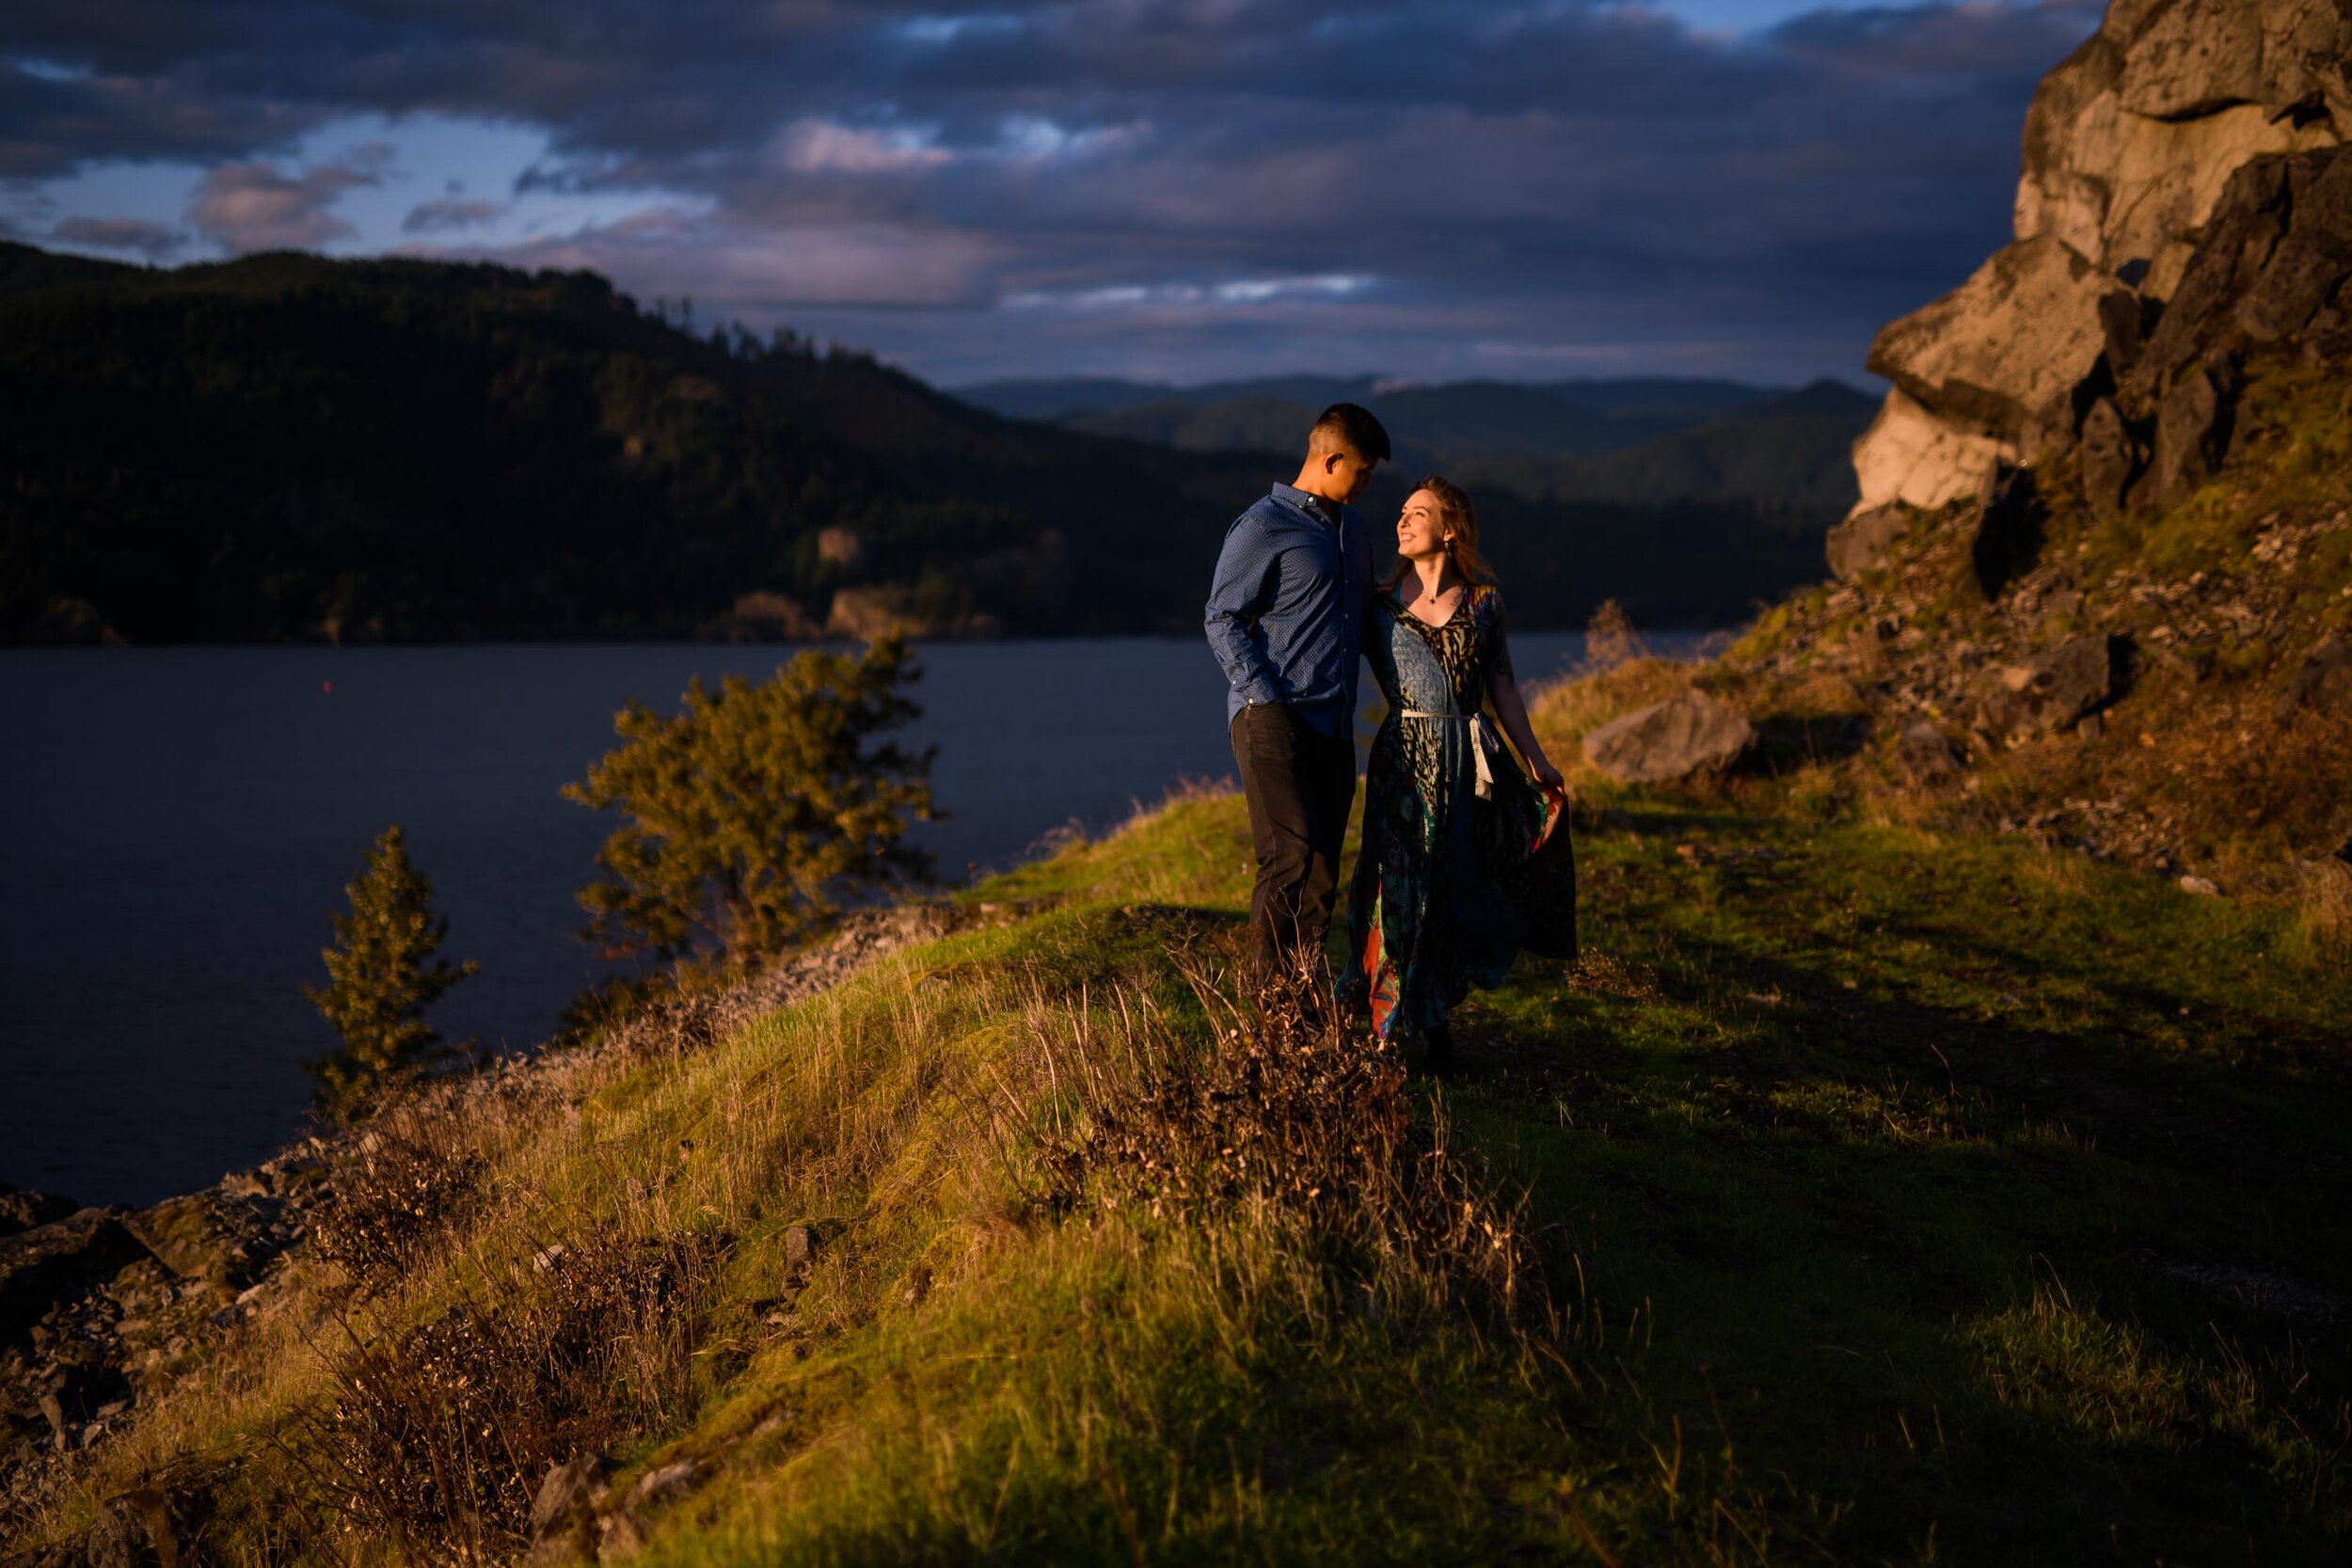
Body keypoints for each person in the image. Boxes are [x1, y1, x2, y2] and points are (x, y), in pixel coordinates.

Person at [1338, 476, 1576, 1073]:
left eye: (1417, 513)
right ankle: (1385, 1025)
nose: (1402, 521)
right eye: (1400, 513)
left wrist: (1536, 760)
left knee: (1449, 889)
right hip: (1402, 763)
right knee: (1394, 885)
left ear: (1449, 529)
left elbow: (1503, 686)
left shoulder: (1485, 603)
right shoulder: (1379, 606)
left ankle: (1437, 1020)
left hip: (1469, 764)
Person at [1204, 403, 1391, 984]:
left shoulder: (1354, 532)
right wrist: (1268, 698)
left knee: (1322, 874)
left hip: (1334, 726)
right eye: (1360, 472)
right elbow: (1221, 617)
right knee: (1288, 858)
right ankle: (1268, 1014)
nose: (1364, 485)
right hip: (1272, 716)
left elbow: (1361, 625)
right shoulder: (1262, 526)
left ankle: (1302, 1009)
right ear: (1330, 458)